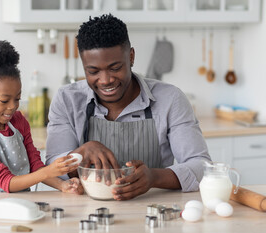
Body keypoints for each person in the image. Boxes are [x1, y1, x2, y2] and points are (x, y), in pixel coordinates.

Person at [46, 14, 211, 200]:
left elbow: (201, 166)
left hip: (154, 209)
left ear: (131, 57)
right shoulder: (67, 100)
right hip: (85, 212)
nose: (106, 80)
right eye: (93, 71)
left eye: (115, 68)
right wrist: (79, 155)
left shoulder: (170, 99)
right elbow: (52, 170)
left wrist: (154, 177)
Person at [0, 40, 83, 194]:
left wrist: (63, 185)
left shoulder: (18, 122)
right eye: (4, 101)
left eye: (17, 99)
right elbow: (5, 182)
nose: (13, 106)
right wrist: (48, 172)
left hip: (19, 204)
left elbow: (34, 164)